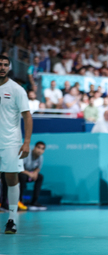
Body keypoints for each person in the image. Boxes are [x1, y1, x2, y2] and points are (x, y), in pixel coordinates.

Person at [0, 55, 32, 234]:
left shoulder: (17, 90)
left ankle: (11, 219)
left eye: (5, 65)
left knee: (11, 179)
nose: (2, 67)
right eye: (0, 65)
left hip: (11, 142)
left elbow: (27, 116)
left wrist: (26, 142)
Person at [2, 142, 47, 211]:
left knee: (40, 177)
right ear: (34, 148)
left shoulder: (41, 157)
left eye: (42, 149)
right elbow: (19, 168)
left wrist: (35, 172)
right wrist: (29, 174)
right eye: (38, 147)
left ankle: (34, 202)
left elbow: (38, 168)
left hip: (29, 175)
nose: (40, 150)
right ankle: (19, 201)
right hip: (18, 174)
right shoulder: (27, 155)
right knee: (22, 176)